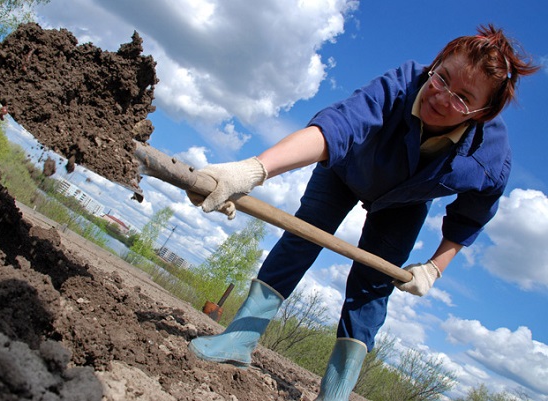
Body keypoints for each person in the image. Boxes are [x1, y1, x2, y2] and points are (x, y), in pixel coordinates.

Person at [187, 24, 539, 400]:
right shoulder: (403, 83)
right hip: (347, 168)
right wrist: (252, 170)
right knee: (302, 237)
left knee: (371, 287)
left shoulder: (489, 158)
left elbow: (470, 218)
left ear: (482, 113)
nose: (442, 96)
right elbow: (338, 126)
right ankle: (240, 339)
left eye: (462, 97)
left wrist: (435, 269)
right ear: (435, 65)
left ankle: (335, 392)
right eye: (442, 78)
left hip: (404, 203)